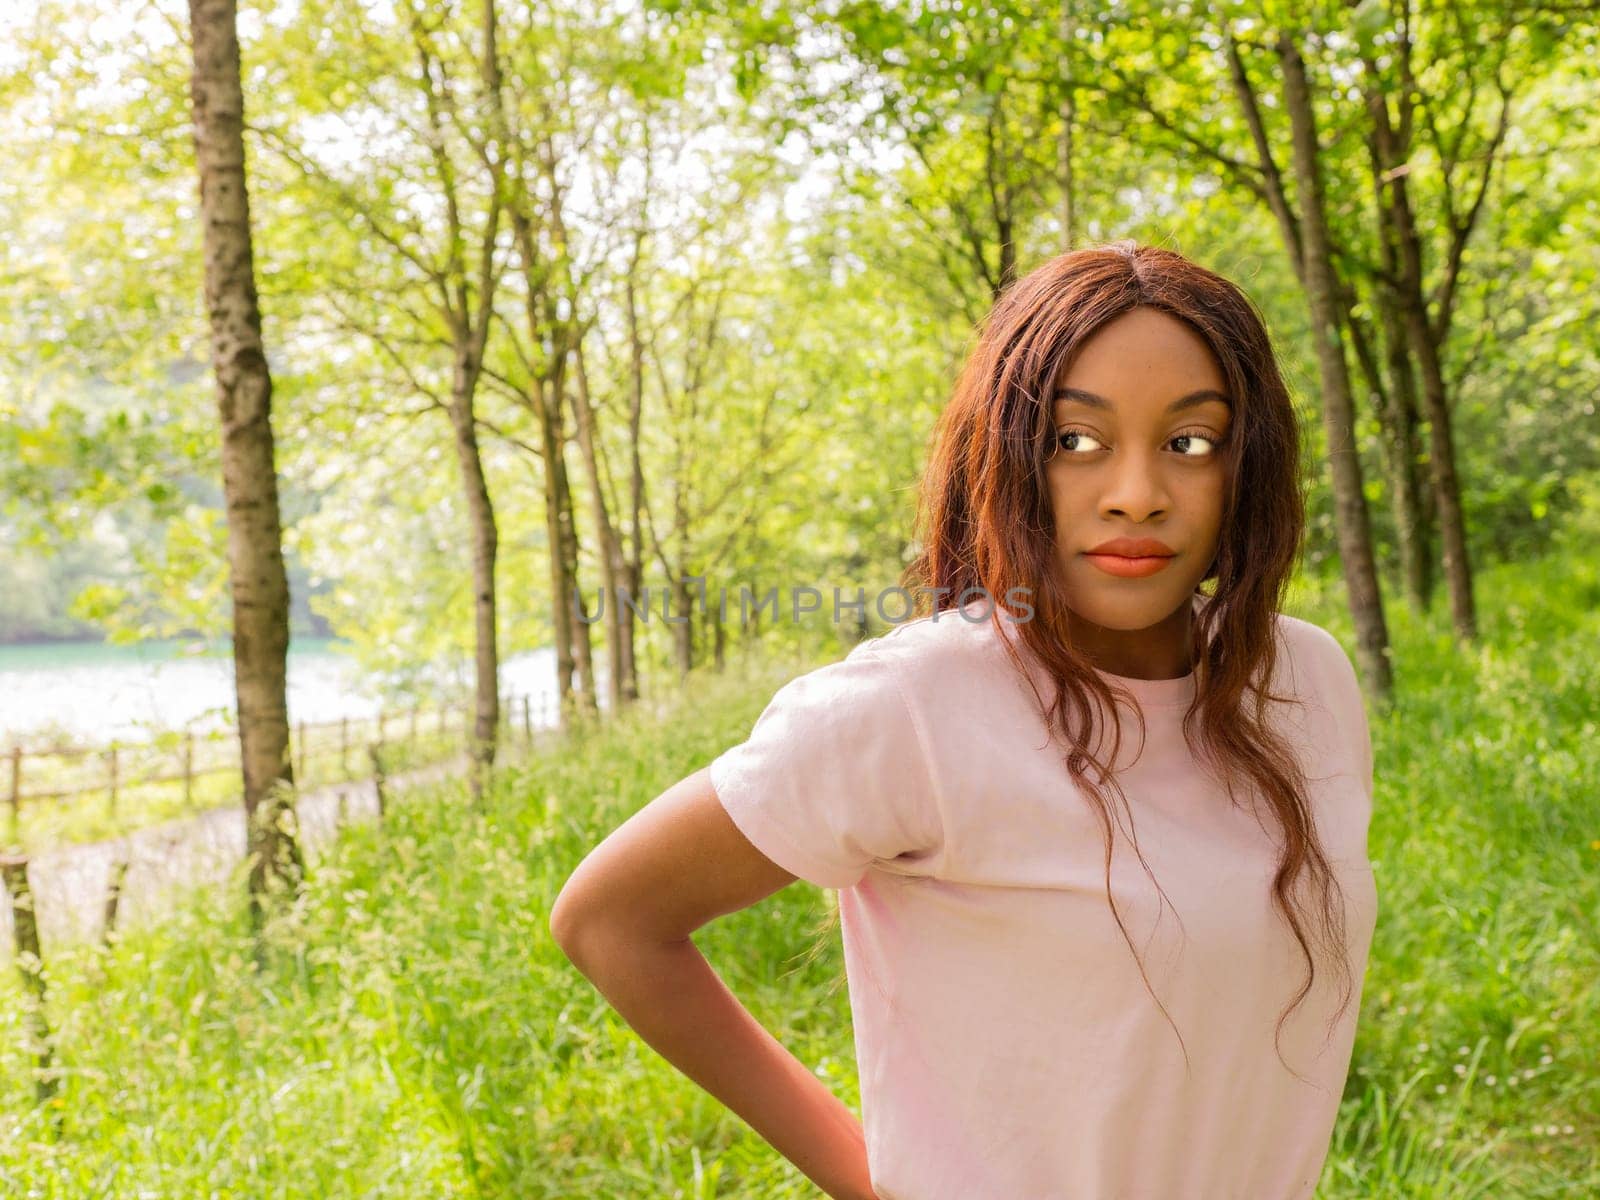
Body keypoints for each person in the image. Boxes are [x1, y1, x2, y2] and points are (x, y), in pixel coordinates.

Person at [549, 240, 1379, 1200]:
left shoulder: (1306, 678)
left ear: (1249, 466)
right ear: (1012, 459)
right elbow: (610, 919)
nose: (1137, 493)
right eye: (1077, 441)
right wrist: (869, 1182)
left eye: (1190, 442)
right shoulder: (917, 706)